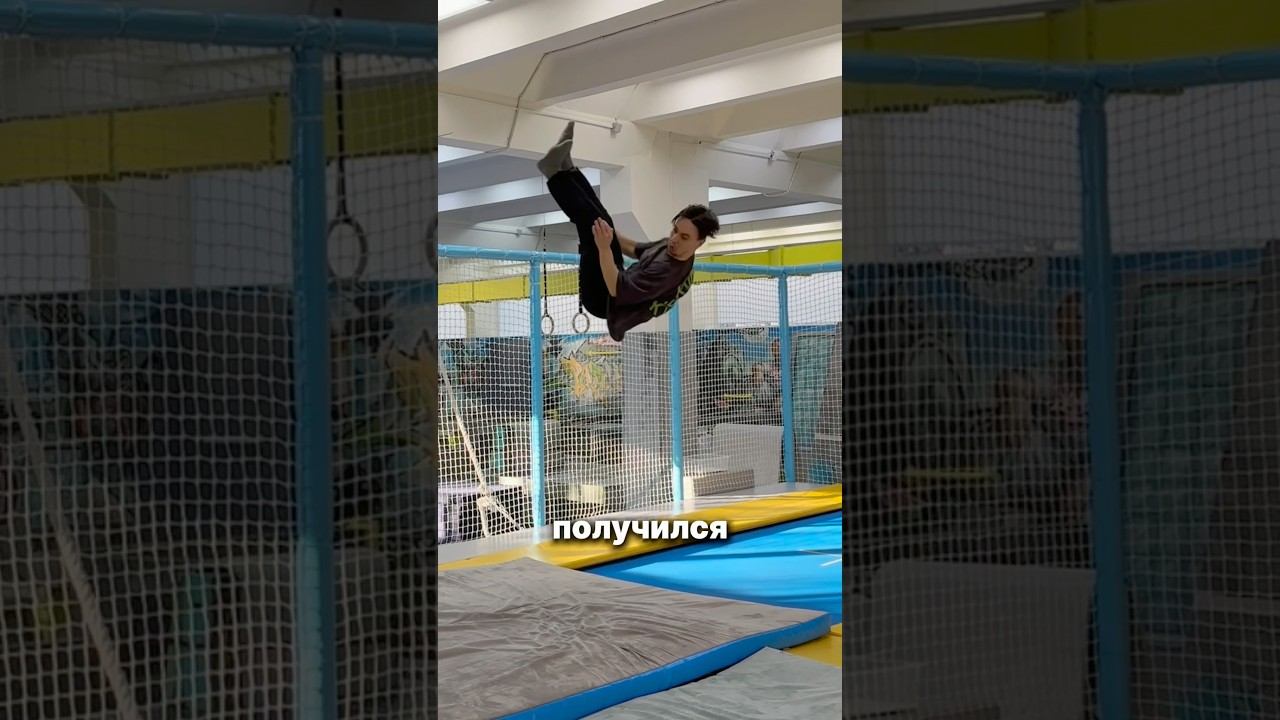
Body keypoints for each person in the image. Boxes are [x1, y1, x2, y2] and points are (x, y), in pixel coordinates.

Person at [536, 122, 720, 341]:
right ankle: (568, 169)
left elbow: (616, 288)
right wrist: (608, 233)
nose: (674, 239)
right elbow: (633, 248)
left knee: (589, 226)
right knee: (603, 222)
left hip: (603, 300)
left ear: (700, 242)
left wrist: (604, 247)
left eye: (684, 237)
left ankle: (553, 172)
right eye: (675, 231)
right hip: (617, 280)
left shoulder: (665, 272)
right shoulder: (670, 248)